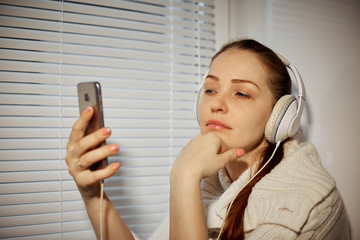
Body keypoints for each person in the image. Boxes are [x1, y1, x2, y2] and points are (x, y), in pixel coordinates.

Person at [65, 39, 351, 239]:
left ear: (281, 115)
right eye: (211, 90)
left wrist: (183, 178)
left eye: (241, 93)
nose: (216, 104)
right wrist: (93, 196)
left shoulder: (307, 204)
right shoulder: (214, 179)